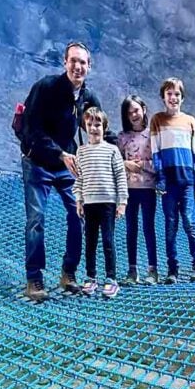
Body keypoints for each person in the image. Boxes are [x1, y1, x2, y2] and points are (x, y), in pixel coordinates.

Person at [19, 41, 112, 302]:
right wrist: (60, 153)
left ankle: (68, 273)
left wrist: (124, 155)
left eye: (82, 62)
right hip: (37, 162)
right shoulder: (46, 88)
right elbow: (31, 129)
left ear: (89, 67)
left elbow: (102, 130)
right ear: (65, 63)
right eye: (73, 61)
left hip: (67, 164)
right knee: (36, 219)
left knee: (78, 214)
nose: (78, 67)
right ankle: (34, 278)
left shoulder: (87, 98)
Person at [150, 77, 195, 285]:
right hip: (169, 184)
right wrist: (161, 180)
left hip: (187, 181)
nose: (173, 98)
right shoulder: (157, 120)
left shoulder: (190, 121)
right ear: (163, 97)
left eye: (177, 94)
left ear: (182, 97)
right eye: (169, 94)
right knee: (170, 225)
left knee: (189, 222)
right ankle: (172, 269)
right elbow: (156, 152)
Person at [74, 107, 128, 298]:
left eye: (98, 124)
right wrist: (79, 200)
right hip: (89, 204)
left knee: (107, 240)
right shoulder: (81, 152)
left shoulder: (112, 150)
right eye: (90, 124)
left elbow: (120, 176)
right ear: (84, 127)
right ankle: (90, 277)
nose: (94, 128)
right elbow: (79, 178)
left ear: (104, 127)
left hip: (107, 203)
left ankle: (111, 279)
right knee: (89, 242)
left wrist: (122, 202)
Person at [117, 95, 158, 285]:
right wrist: (125, 163)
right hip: (129, 190)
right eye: (129, 112)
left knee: (148, 228)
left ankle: (153, 270)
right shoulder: (122, 137)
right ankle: (132, 270)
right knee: (130, 229)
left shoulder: (153, 135)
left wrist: (141, 164)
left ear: (143, 109)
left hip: (148, 189)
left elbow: (158, 163)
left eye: (136, 110)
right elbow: (116, 162)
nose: (133, 114)